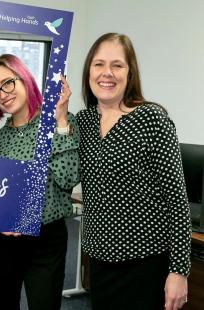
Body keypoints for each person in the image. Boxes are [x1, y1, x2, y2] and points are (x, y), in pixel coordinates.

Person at [76, 33, 191, 310]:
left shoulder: (151, 118)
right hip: (99, 260)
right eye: (99, 64)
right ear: (88, 71)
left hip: (145, 261)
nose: (107, 73)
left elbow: (177, 200)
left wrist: (179, 271)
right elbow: (67, 175)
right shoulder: (84, 121)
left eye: (117, 65)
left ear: (130, 72)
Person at [0, 54, 80, 310]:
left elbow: (68, 177)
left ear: (24, 78)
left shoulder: (61, 124)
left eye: (7, 83)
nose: (2, 94)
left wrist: (59, 120)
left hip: (45, 242)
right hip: (1, 244)